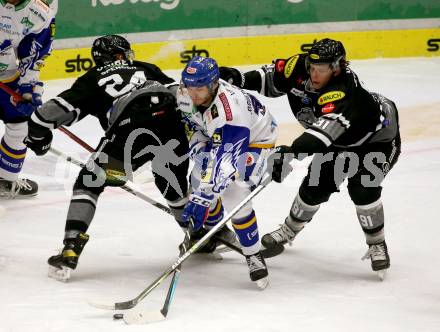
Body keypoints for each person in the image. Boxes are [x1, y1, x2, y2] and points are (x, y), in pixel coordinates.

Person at [220, 38, 401, 278]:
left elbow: (319, 137)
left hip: (377, 140)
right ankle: (288, 230)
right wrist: (237, 78)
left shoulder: (345, 91)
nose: (314, 74)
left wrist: (290, 153)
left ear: (337, 67)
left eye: (321, 70)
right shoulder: (300, 66)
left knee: (363, 187)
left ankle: (376, 243)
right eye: (312, 68)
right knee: (314, 187)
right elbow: (269, 78)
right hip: (338, 141)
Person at [24, 34, 190, 280]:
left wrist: (38, 138)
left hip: (133, 130)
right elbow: (181, 94)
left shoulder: (93, 78)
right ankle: (200, 232)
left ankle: (71, 248)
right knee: (171, 183)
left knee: (89, 182)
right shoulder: (146, 67)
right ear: (123, 54)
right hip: (173, 125)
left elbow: (44, 116)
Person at [177, 56, 278, 289]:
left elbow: (227, 164)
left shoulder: (230, 112)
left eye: (199, 88)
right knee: (198, 179)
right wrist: (200, 148)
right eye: (189, 87)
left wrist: (205, 196)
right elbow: (192, 125)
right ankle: (216, 229)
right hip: (217, 136)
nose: (193, 94)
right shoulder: (186, 93)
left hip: (256, 140)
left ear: (213, 84)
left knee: (235, 193)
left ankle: (253, 255)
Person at [0, 0, 56, 198]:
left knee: (21, 127)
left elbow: (32, 57)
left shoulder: (39, 13)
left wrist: (28, 90)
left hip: (7, 79)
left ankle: (5, 180)